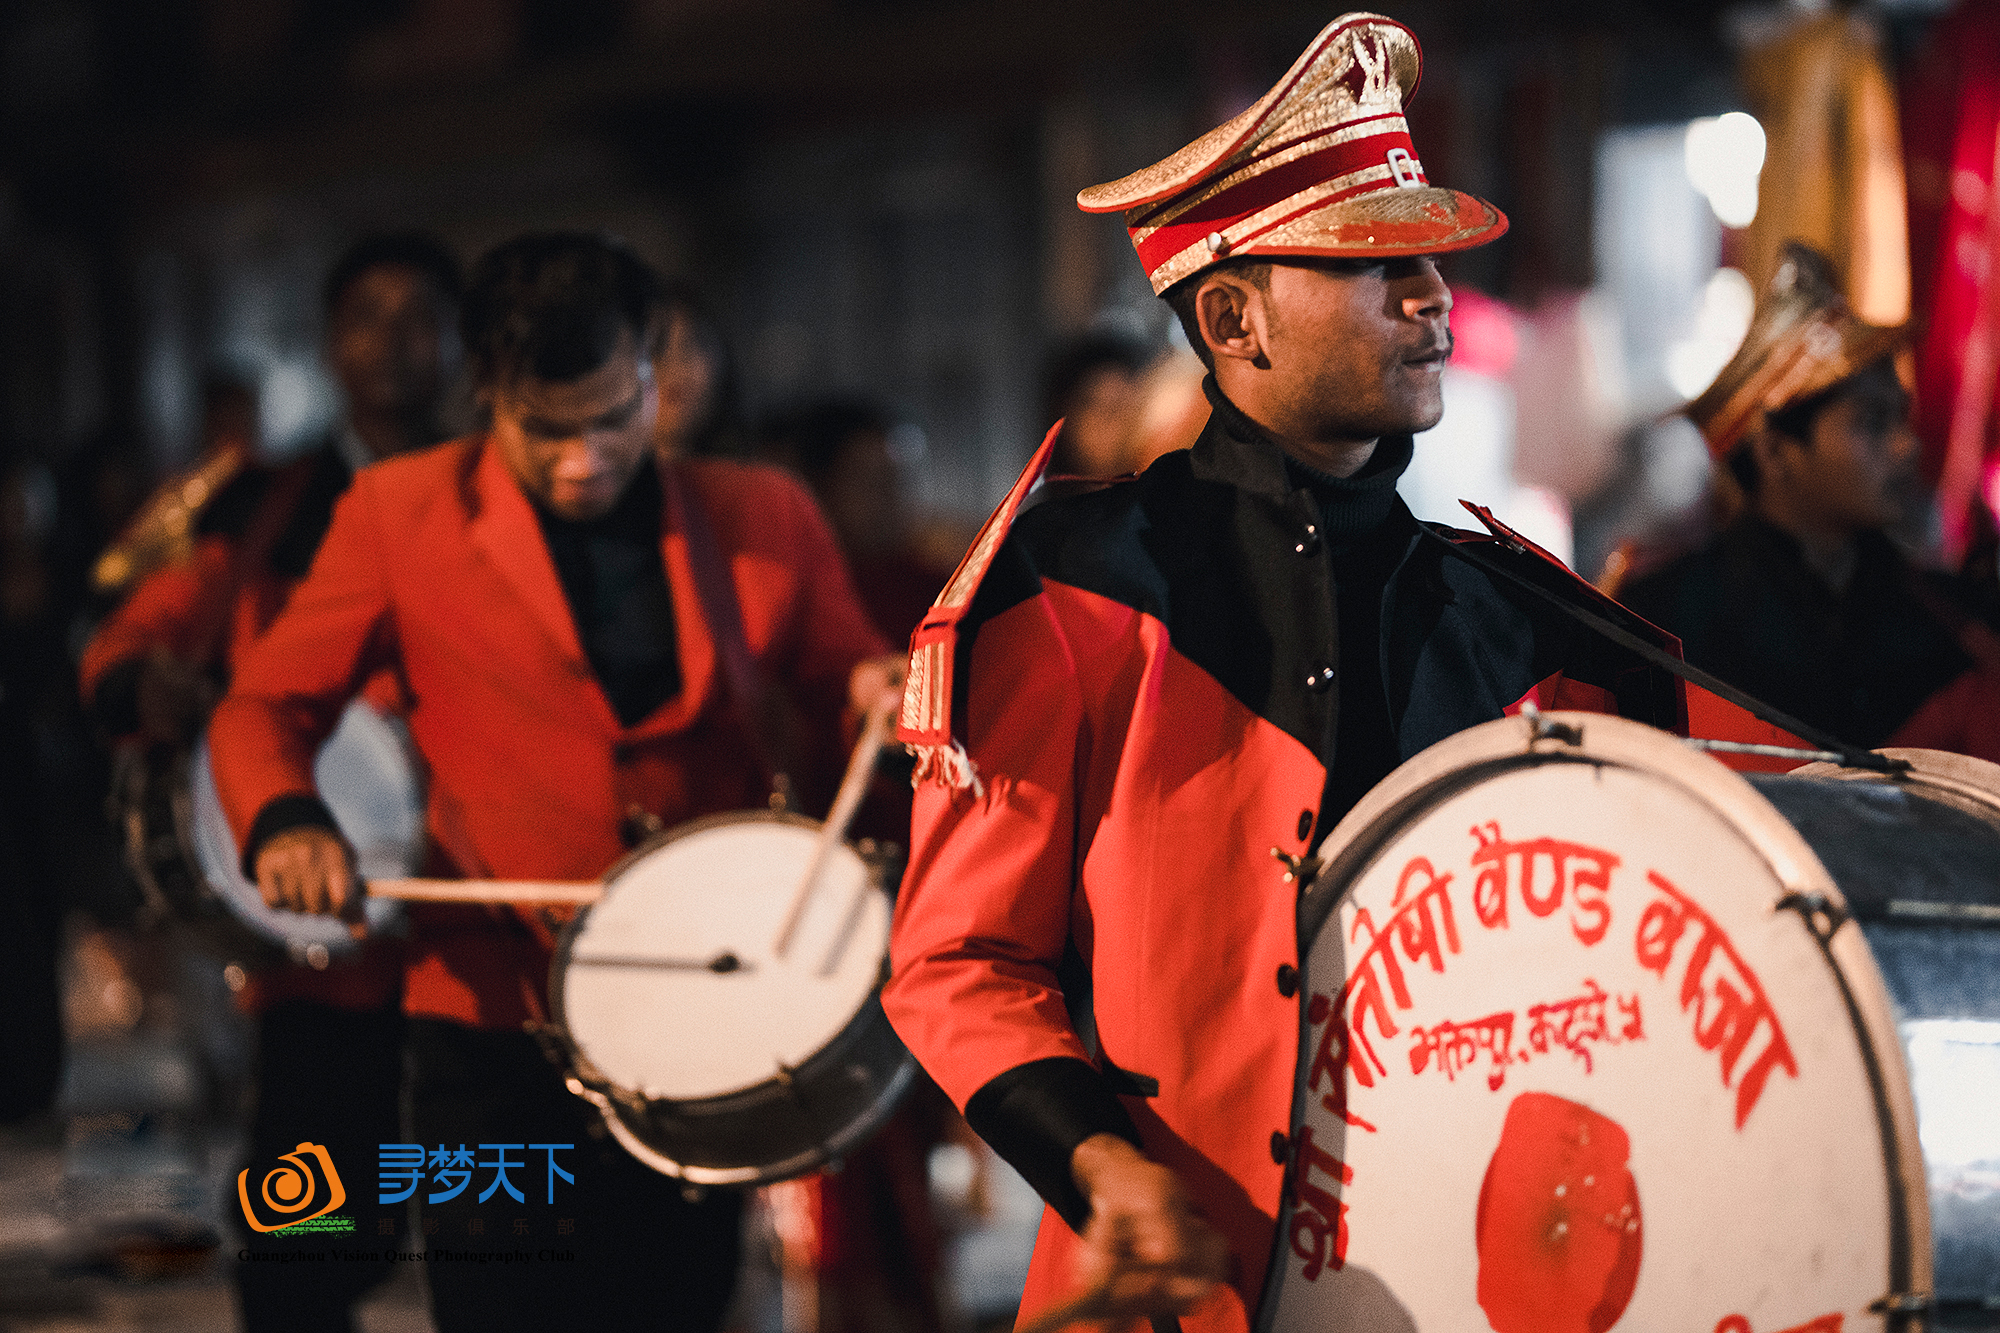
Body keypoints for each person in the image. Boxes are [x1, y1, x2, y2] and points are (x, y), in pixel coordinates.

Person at [881, 15, 1700, 1333]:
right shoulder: (1076, 586)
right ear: (1232, 317)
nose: (1433, 297)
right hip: (1183, 1290)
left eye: (1429, 262)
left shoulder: (1527, 623)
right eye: (1377, 268)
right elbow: (958, 957)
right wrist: (1101, 1167)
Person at [206, 231, 900, 1333]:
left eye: (612, 418)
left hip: (702, 1006)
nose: (583, 460)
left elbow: (842, 670)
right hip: (491, 1026)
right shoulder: (398, 512)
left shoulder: (760, 512)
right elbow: (263, 707)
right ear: (484, 390)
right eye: (544, 430)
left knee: (676, 1308)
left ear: (652, 368)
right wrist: (288, 817)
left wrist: (873, 688)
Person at [77, 232, 463, 1333]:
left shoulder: (498, 491)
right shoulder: (257, 506)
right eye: (367, 318)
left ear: (457, 345)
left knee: (508, 1232)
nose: (393, 342)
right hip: (323, 924)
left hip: (475, 918)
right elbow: (132, 636)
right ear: (330, 343)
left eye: (418, 318)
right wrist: (144, 681)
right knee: (306, 1233)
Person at [1620, 242, 1974, 751]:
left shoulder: (1947, 614)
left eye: (1902, 417)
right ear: (1774, 451)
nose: (1907, 445)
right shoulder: (1664, 621)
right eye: (1872, 423)